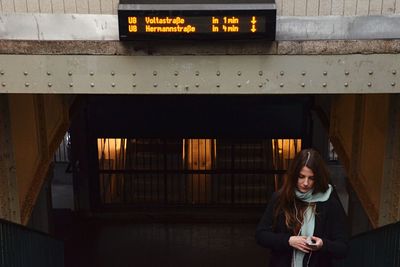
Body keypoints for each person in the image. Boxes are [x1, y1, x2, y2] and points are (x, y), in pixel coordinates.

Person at [256, 148, 348, 267]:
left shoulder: (329, 202)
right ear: (294, 175)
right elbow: (261, 235)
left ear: (318, 178)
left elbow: (343, 248)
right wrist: (289, 241)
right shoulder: (280, 199)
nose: (305, 183)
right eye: (301, 176)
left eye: (311, 178)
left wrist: (323, 244)